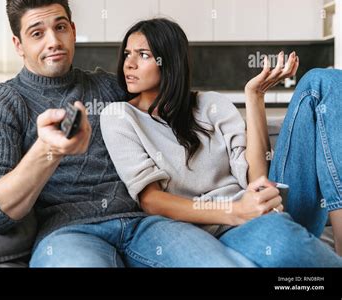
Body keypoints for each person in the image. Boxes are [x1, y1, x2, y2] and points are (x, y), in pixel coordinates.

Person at [0, 0, 256, 267]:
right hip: (69, 233)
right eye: (37, 33)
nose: (53, 41)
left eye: (60, 27)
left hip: (146, 224)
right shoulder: (3, 104)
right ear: (18, 45)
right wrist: (48, 151)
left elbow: (173, 100)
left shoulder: (110, 87)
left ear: (73, 31)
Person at [100, 18, 342, 267]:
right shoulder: (120, 117)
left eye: (143, 55)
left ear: (169, 62)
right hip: (218, 230)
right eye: (128, 53)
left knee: (325, 81)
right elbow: (151, 201)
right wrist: (237, 212)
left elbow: (255, 179)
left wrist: (255, 97)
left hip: (265, 206)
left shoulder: (211, 104)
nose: (129, 63)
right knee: (283, 242)